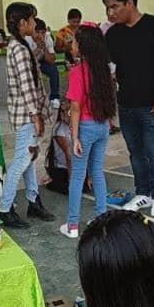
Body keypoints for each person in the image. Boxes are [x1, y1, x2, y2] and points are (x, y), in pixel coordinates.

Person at [103, 0, 154, 217]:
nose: (110, 13)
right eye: (107, 8)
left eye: (114, 7)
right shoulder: (113, 34)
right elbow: (111, 67)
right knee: (135, 151)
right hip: (126, 105)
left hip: (152, 105)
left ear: (130, 3)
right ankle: (142, 192)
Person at [0, 2, 55, 229]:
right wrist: (36, 115)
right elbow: (27, 85)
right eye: (31, 20)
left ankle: (33, 201)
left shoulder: (20, 46)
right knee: (22, 160)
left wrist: (40, 48)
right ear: (22, 23)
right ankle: (5, 209)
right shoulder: (19, 49)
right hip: (26, 115)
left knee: (29, 158)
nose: (34, 23)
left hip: (24, 113)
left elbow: (31, 67)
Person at [60, 23, 117, 239]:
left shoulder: (77, 73)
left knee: (77, 176)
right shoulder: (102, 70)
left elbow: (75, 108)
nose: (71, 44)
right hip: (102, 127)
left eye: (74, 41)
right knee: (97, 173)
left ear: (82, 47)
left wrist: (74, 138)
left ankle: (73, 225)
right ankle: (101, 219)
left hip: (85, 128)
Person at [28, 18, 61, 108]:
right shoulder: (27, 39)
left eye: (43, 32)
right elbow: (27, 59)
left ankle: (54, 97)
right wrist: (38, 48)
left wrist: (44, 48)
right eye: (37, 32)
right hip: (30, 62)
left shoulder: (47, 37)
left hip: (43, 61)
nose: (40, 35)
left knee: (53, 69)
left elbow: (52, 59)